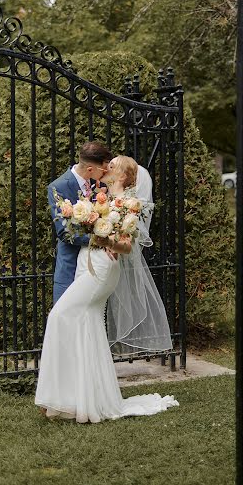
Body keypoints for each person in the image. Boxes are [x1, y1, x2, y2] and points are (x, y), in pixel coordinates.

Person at [35, 155, 178, 423]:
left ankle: (64, 398)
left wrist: (103, 238)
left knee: (59, 316)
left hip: (101, 270)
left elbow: (125, 247)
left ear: (124, 176)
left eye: (112, 166)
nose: (106, 168)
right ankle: (82, 400)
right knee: (87, 325)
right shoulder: (99, 196)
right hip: (86, 265)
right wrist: (90, 226)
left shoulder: (129, 204)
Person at [48, 141, 112, 303]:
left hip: (98, 266)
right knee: (65, 319)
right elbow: (64, 232)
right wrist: (101, 240)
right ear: (90, 169)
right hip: (70, 267)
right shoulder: (58, 187)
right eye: (104, 169)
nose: (106, 173)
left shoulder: (102, 186)